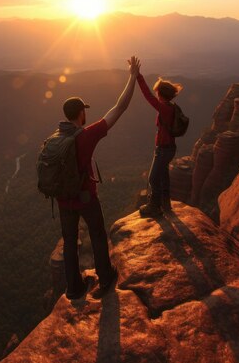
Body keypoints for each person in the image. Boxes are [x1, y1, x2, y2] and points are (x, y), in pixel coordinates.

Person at [57, 56, 141, 300]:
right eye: (84, 111)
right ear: (81, 113)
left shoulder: (56, 138)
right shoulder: (86, 135)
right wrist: (132, 77)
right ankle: (105, 278)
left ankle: (73, 288)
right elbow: (120, 108)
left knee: (70, 243)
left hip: (63, 201)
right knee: (97, 235)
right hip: (85, 198)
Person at [137, 72, 183, 217]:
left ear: (161, 94)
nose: (156, 94)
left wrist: (138, 76)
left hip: (164, 149)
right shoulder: (171, 106)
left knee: (153, 178)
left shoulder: (164, 108)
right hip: (167, 148)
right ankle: (166, 204)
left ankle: (154, 206)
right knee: (163, 176)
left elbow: (147, 96)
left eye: (157, 92)